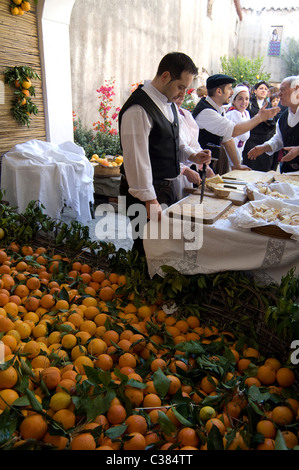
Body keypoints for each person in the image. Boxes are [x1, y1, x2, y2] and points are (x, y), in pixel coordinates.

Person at [118, 52, 211, 254]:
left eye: (186, 89)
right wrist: (150, 200)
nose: (183, 94)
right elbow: (136, 160)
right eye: (181, 87)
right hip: (145, 193)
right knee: (146, 247)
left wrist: (192, 155)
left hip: (165, 188)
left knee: (163, 247)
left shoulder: (168, 104)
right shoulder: (138, 109)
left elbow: (172, 141)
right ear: (165, 76)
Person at [192, 74, 280, 173]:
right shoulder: (206, 111)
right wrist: (259, 118)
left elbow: (227, 138)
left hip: (207, 165)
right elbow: (233, 131)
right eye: (229, 88)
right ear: (219, 91)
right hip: (197, 167)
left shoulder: (218, 109)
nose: (232, 92)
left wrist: (237, 165)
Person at [247, 76, 299, 173]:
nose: (279, 94)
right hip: (288, 171)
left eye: (283, 90)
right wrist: (264, 147)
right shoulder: (284, 117)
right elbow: (278, 139)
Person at [173, 94, 214, 200]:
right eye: (179, 89)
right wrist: (184, 170)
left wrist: (204, 164)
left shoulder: (185, 114)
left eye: (184, 90)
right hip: (169, 176)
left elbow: (193, 144)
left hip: (185, 176)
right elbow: (163, 153)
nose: (182, 96)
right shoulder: (165, 116)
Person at [242, 80, 277, 172]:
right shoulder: (249, 104)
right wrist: (259, 117)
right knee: (250, 164)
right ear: (255, 91)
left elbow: (272, 123)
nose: (263, 91)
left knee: (264, 167)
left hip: (265, 138)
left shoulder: (269, 105)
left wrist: (265, 119)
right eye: (261, 88)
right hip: (252, 138)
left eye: (266, 89)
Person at [225, 85, 250, 168]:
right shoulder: (231, 114)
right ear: (234, 100)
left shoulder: (246, 114)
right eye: (240, 99)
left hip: (239, 153)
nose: (244, 102)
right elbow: (229, 140)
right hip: (229, 155)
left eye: (246, 99)